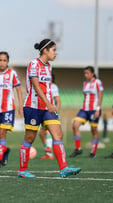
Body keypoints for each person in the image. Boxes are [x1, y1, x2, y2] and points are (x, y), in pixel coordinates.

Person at [18, 39, 81, 178]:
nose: (56, 53)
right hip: (33, 107)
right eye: (54, 50)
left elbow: (47, 88)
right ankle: (22, 170)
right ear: (45, 50)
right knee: (29, 138)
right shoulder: (33, 64)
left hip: (47, 108)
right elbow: (36, 86)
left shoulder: (49, 67)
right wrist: (49, 103)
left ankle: (64, 168)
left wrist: (50, 103)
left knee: (58, 135)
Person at [69, 66, 104, 158]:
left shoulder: (97, 82)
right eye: (84, 73)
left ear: (92, 74)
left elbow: (100, 96)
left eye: (87, 73)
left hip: (94, 110)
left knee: (94, 130)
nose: (85, 75)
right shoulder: (85, 83)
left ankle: (93, 152)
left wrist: (98, 109)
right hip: (84, 109)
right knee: (75, 125)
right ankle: (78, 149)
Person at [38, 73, 60, 160]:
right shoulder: (41, 86)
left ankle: (49, 148)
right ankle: (48, 151)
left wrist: (56, 110)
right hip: (42, 111)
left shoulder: (53, 87)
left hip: (50, 112)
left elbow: (58, 100)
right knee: (41, 133)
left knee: (49, 132)